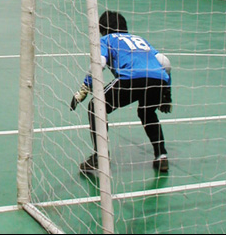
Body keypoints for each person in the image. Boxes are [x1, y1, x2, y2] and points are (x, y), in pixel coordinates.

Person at [70, 11, 172, 173]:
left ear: (103, 29)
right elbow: (165, 62)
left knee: (96, 106)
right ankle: (161, 156)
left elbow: (99, 63)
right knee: (147, 113)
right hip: (158, 78)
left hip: (131, 78)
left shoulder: (106, 40)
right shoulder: (140, 40)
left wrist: (84, 89)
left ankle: (100, 156)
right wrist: (167, 94)